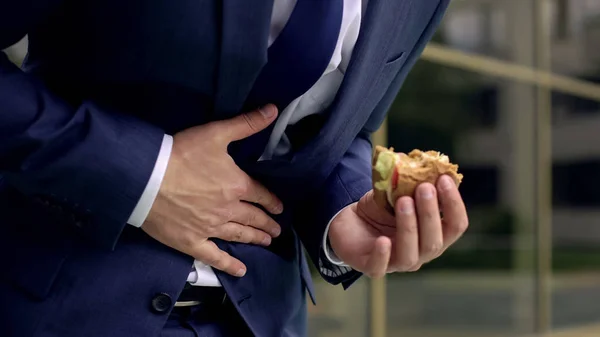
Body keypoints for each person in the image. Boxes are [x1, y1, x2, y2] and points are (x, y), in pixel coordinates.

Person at [0, 0, 469, 336]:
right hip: (58, 305)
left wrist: (344, 208)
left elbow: (329, 126)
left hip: (264, 318)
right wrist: (144, 175)